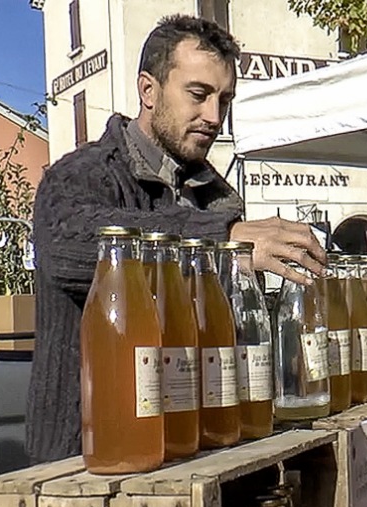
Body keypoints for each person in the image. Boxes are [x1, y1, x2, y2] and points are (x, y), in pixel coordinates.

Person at [27, 14, 326, 464]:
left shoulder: (218, 197)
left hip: (198, 451)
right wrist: (221, 240)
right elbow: (66, 247)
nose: (214, 117)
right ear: (148, 91)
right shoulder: (80, 176)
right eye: (199, 95)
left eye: (225, 100)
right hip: (88, 464)